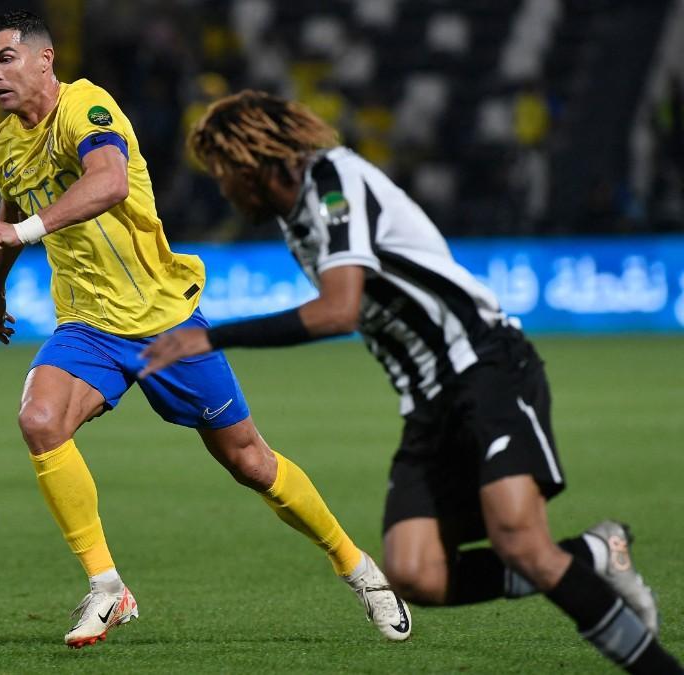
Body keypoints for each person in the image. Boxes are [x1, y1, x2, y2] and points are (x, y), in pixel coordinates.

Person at [140, 90, 681, 673]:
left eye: (224, 173)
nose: (222, 188)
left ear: (250, 161)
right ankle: (596, 553)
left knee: (521, 542)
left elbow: (340, 310)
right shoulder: (295, 221)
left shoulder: (333, 182)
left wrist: (214, 336)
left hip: (484, 368)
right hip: (427, 401)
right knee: (415, 572)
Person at [0, 12, 410, 649]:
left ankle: (359, 569)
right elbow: (14, 200)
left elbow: (109, 182)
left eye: (5, 58)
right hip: (89, 325)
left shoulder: (89, 109)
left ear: (45, 59)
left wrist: (23, 233)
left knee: (251, 462)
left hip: (163, 320)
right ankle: (107, 587)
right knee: (39, 419)